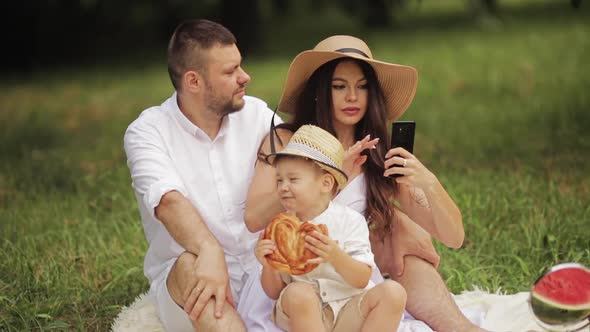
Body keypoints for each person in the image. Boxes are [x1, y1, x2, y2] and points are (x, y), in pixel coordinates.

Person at [245, 35, 485, 331]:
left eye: (362, 86)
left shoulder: (377, 153)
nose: (352, 97)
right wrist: (332, 172)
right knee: (304, 297)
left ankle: (462, 328)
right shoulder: (287, 140)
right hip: (291, 284)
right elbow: (254, 218)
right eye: (339, 86)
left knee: (409, 261)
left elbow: (454, 237)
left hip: (344, 279)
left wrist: (428, 182)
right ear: (320, 91)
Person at [123, 19, 283, 331]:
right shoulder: (147, 132)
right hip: (193, 277)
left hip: (265, 270)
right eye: (230, 71)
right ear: (193, 81)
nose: (244, 77)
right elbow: (168, 201)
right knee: (189, 266)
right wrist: (210, 251)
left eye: (240, 66)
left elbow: (301, 168)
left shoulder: (258, 115)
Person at [255, 124, 406, 332]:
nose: (283, 187)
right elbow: (274, 292)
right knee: (298, 292)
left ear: (325, 184)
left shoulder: (349, 221)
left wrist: (335, 255)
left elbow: (362, 279)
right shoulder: (281, 228)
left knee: (394, 293)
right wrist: (268, 264)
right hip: (305, 315)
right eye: (279, 180)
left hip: (348, 309)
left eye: (293, 179)